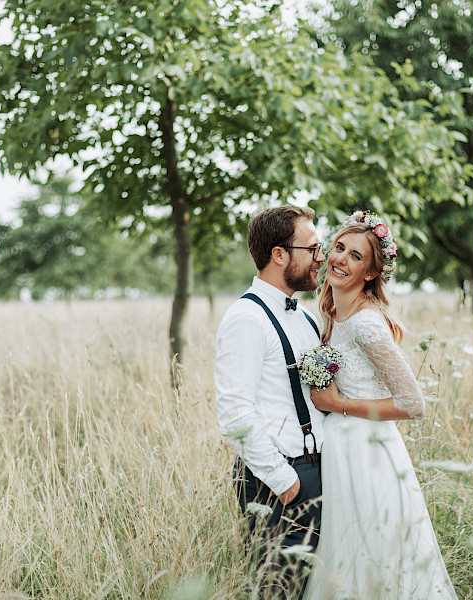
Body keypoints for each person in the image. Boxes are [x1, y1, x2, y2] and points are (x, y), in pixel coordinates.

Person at [304, 211, 457, 599]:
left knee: (375, 555)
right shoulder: (334, 312)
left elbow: (413, 403)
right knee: (346, 557)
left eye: (356, 256)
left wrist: (338, 404)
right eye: (339, 247)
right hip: (340, 449)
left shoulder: (367, 323)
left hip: (369, 453)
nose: (341, 259)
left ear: (371, 273)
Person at [215, 205, 327, 596]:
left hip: (318, 471)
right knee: (279, 589)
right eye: (312, 248)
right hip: (278, 481)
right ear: (279, 254)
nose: (321, 257)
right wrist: (286, 483)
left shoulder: (305, 316)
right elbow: (234, 414)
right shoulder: (246, 318)